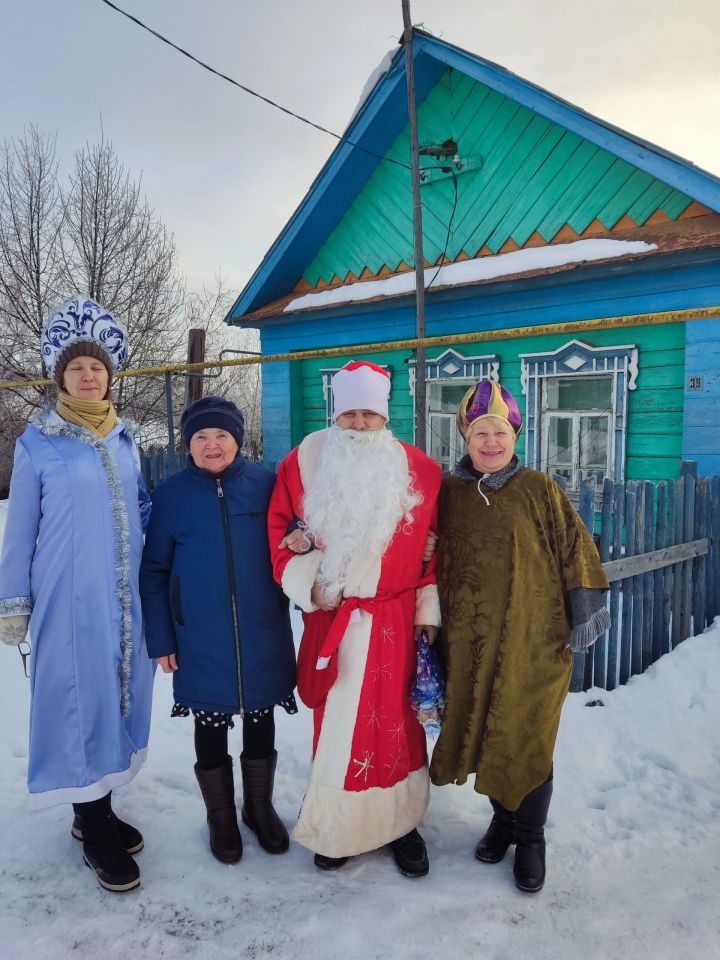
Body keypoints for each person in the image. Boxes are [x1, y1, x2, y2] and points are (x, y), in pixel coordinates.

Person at [429, 379, 610, 893]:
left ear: (515, 436)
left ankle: (530, 837)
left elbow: (575, 549)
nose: (490, 442)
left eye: (500, 433)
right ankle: (502, 821)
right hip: (468, 642)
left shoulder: (538, 489)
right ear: (465, 436)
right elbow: (426, 550)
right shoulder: (449, 493)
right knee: (488, 730)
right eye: (480, 432)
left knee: (526, 734)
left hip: (535, 640)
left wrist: (582, 613)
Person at [0, 295, 154, 893]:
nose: (88, 377)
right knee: (74, 697)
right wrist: (14, 602)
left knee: (116, 694)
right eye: (75, 368)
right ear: (59, 376)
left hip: (124, 599)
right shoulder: (39, 443)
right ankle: (91, 825)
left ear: (110, 374)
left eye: (96, 368)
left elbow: (139, 513)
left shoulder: (125, 440)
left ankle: (100, 803)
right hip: (67, 598)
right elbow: (20, 532)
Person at [267, 360, 441, 877]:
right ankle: (339, 825)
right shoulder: (303, 464)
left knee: (397, 726)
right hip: (334, 619)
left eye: (370, 413)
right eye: (350, 415)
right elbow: (279, 537)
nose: (360, 424)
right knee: (338, 727)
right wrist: (311, 585)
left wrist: (427, 614)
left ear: (385, 416)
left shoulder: (421, 471)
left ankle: (401, 824)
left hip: (394, 621)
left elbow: (436, 551)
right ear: (335, 415)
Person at [140, 396, 296, 865]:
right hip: (198, 635)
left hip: (262, 629)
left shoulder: (268, 485)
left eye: (221, 435)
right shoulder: (170, 496)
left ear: (238, 439)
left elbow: (297, 539)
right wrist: (162, 638)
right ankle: (222, 815)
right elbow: (153, 573)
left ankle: (259, 806)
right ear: (187, 446)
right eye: (201, 437)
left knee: (260, 717)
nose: (212, 445)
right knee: (209, 722)